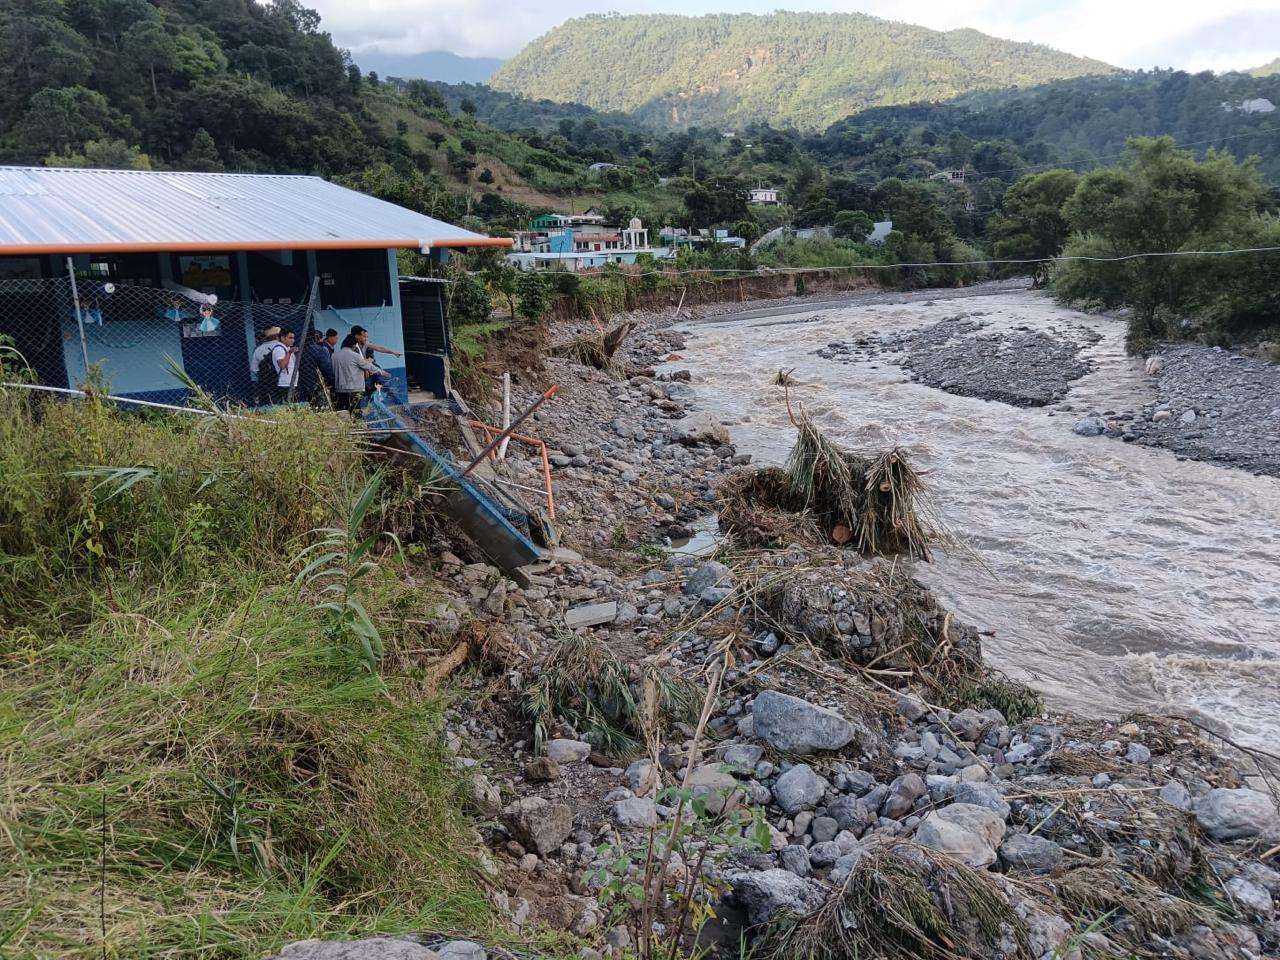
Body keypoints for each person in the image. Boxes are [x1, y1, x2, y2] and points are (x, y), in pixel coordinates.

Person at [332, 332, 388, 412]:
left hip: (339, 389)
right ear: (354, 345)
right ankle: (357, 423)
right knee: (356, 411)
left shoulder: (334, 356)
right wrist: (381, 372)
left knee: (342, 411)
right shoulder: (355, 356)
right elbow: (368, 366)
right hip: (354, 389)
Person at [299, 328, 335, 407]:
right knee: (320, 407)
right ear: (320, 338)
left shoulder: (300, 348)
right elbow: (327, 369)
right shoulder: (321, 350)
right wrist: (332, 383)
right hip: (314, 383)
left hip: (300, 384)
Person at [252, 326, 282, 405]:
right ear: (276, 336)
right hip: (283, 380)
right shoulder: (282, 346)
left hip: (266, 382)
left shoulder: (258, 349)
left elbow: (254, 369)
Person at [271, 329, 298, 404]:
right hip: (285, 384)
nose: (293, 340)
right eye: (290, 338)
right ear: (282, 338)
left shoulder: (288, 348)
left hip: (290, 383)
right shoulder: (279, 349)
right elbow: (282, 365)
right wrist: (289, 353)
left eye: (293, 338)